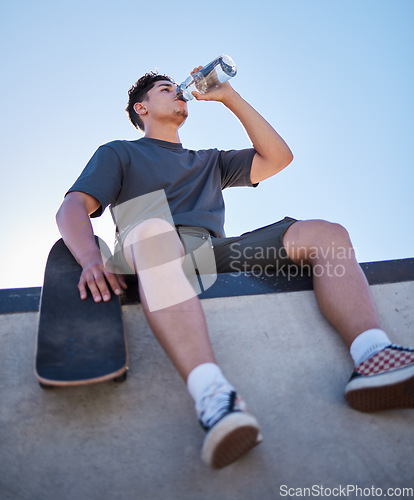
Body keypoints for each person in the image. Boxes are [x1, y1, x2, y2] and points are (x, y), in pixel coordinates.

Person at [56, 67, 414, 469]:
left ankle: (373, 355)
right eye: (164, 89)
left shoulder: (209, 162)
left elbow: (278, 158)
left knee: (327, 233)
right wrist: (90, 258)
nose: (177, 92)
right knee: (153, 231)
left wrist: (229, 97)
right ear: (142, 108)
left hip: (211, 253)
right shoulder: (120, 152)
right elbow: (72, 207)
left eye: (177, 88)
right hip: (150, 251)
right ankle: (214, 396)